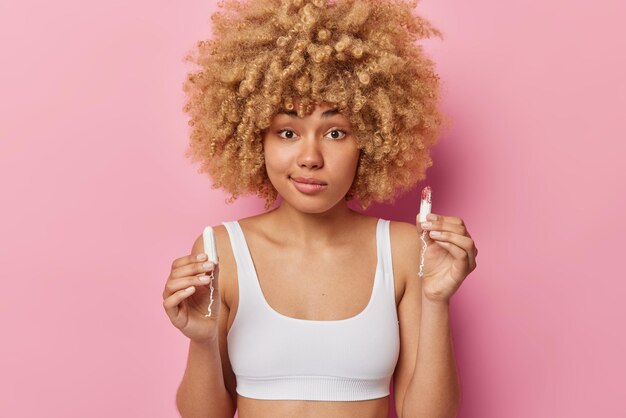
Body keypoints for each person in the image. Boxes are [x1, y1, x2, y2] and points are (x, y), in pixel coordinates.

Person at [162, 0, 478, 417]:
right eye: (288, 131)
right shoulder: (222, 250)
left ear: (371, 138)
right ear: (255, 137)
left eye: (335, 131)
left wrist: (437, 301)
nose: (310, 157)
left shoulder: (403, 251)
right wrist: (202, 340)